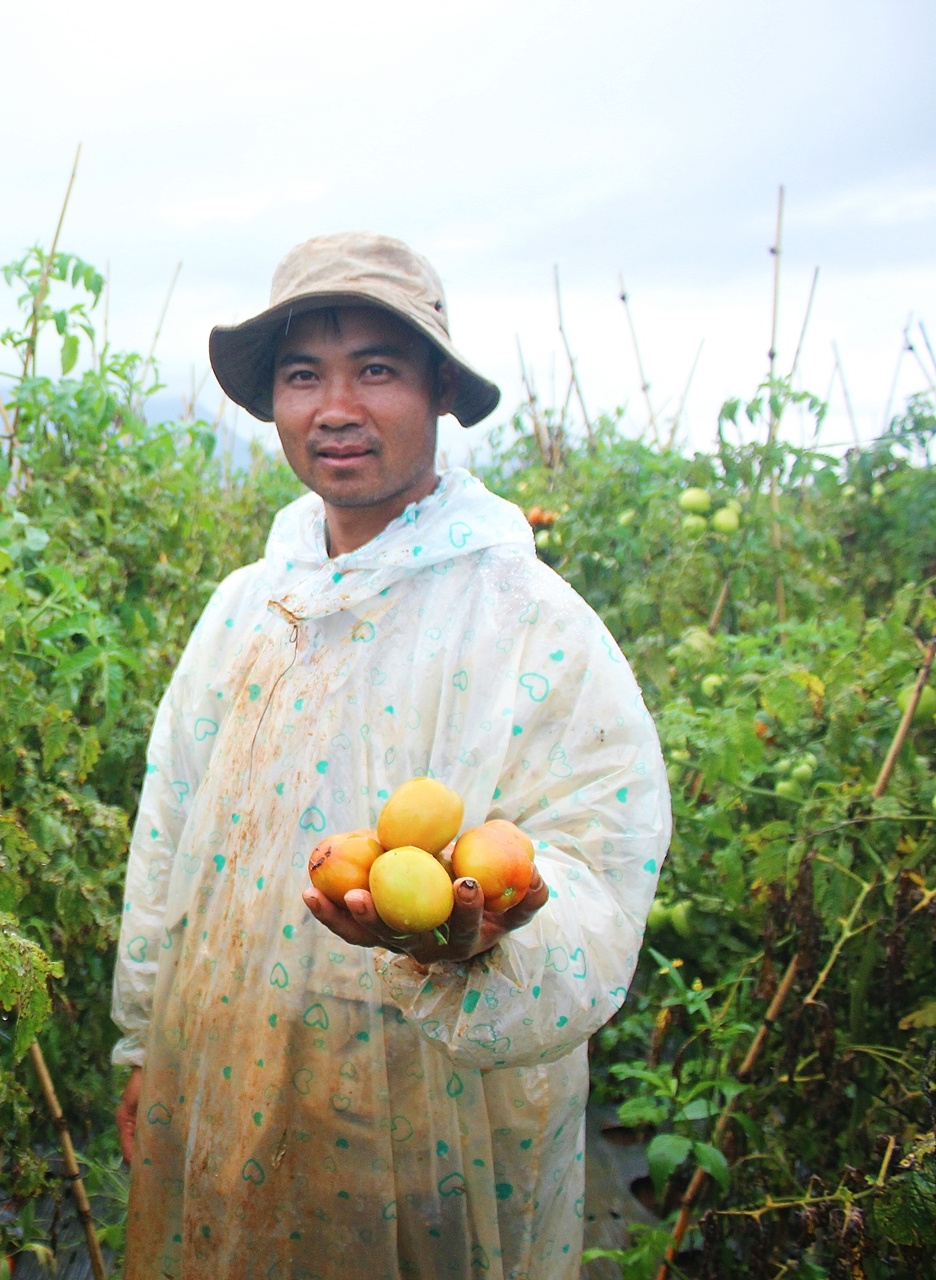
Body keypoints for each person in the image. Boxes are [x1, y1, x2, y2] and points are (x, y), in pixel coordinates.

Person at [110, 232, 670, 1279]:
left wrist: (487, 947)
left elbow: (603, 855)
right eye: (301, 373)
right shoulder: (248, 610)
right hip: (231, 1072)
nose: (336, 406)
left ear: (439, 392)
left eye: (376, 367)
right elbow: (169, 838)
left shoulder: (526, 617)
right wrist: (146, 1043)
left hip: (438, 1122)